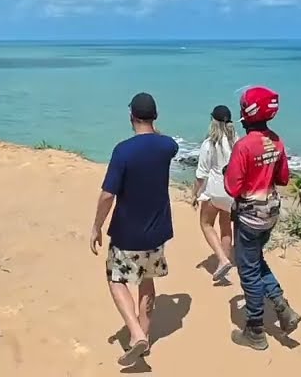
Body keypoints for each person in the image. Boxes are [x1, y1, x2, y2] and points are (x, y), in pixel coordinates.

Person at [89, 92, 179, 367]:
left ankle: (136, 332)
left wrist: (96, 226)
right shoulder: (168, 146)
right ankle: (145, 339)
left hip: (128, 232)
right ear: (156, 116)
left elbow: (107, 195)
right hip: (157, 231)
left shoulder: (123, 150)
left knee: (116, 279)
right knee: (147, 281)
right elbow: (162, 141)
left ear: (131, 117)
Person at [223, 86, 301, 350]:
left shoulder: (244, 146)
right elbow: (282, 178)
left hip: (249, 217)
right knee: (256, 261)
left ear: (246, 113)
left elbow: (232, 188)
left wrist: (229, 172)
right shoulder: (276, 141)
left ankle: (255, 329)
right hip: (271, 213)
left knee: (247, 271)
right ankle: (282, 307)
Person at [192, 104, 238, 283]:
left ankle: (222, 258)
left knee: (206, 224)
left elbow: (201, 174)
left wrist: (195, 194)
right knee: (226, 226)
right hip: (231, 191)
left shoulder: (209, 143)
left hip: (214, 190)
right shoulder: (236, 141)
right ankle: (224, 264)